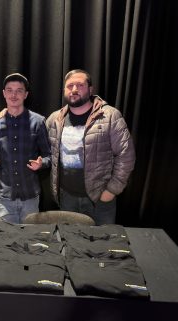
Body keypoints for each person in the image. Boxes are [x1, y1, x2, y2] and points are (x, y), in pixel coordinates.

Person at [46, 69, 135, 225]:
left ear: (90, 89)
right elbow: (38, 143)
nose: (74, 89)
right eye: (70, 85)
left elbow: (126, 155)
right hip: (66, 198)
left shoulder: (110, 116)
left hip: (99, 199)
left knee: (102, 245)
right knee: (71, 243)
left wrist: (111, 191)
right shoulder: (55, 118)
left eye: (80, 85)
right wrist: (9, 111)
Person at [0, 73, 51, 223]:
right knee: (7, 241)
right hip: (6, 197)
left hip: (31, 197)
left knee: (30, 241)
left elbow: (49, 156)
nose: (14, 94)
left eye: (19, 90)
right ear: (4, 93)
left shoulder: (38, 122)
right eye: (10, 90)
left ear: (25, 94)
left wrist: (42, 164)